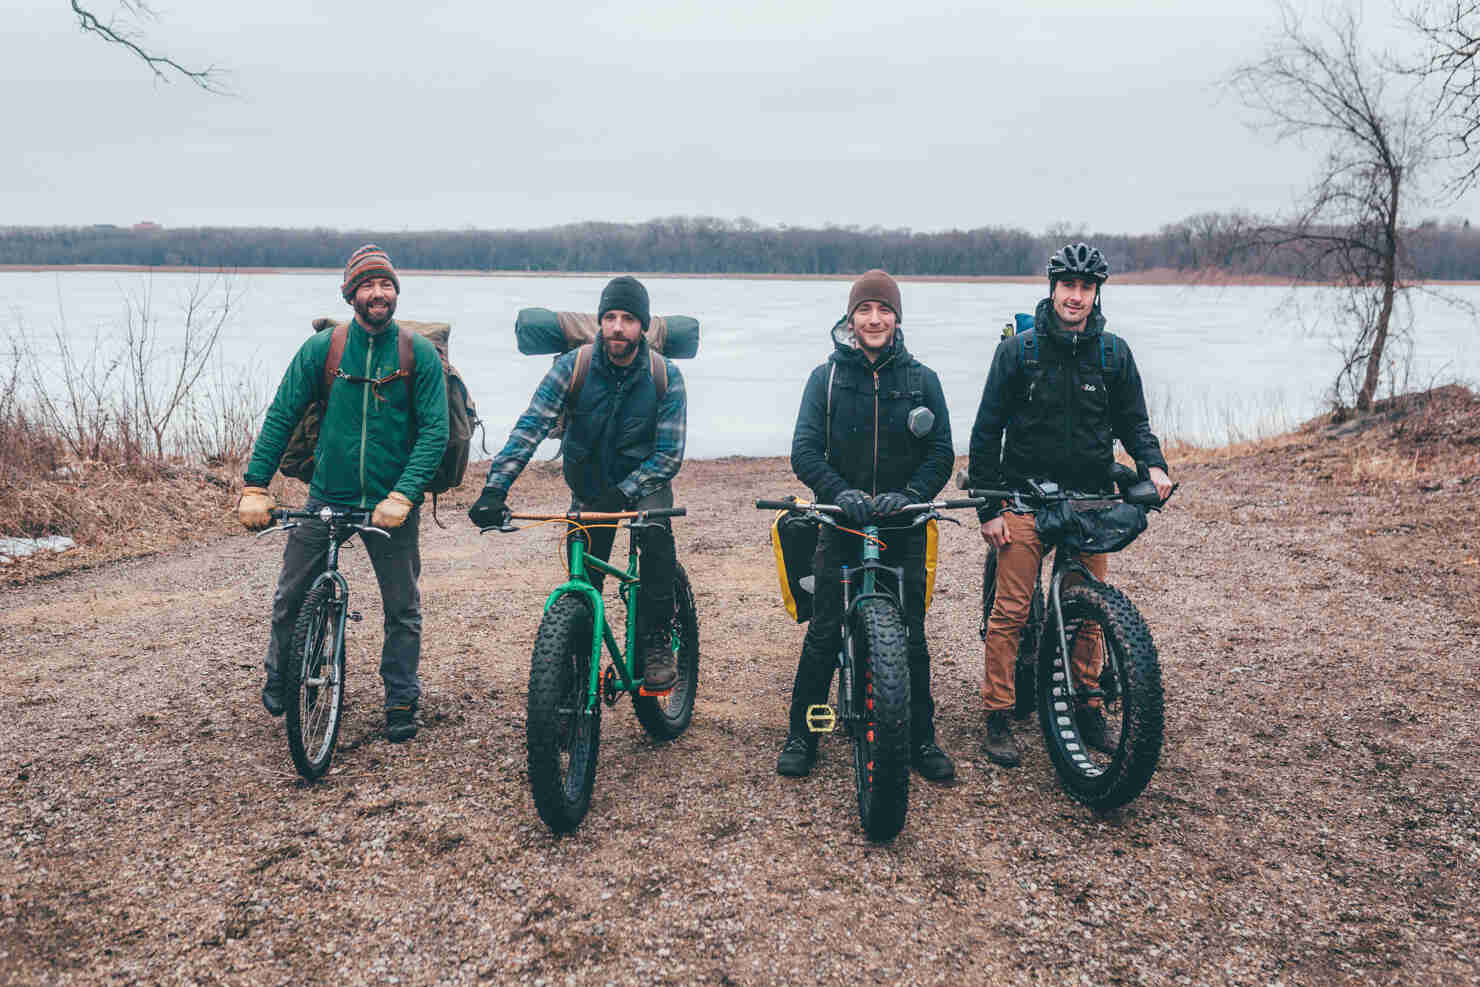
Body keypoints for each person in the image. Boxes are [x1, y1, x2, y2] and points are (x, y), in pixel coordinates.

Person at [967, 243, 1173, 767]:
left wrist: (1154, 466)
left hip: (1090, 503)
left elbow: (1135, 424)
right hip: (1023, 500)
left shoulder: (1113, 355)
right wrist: (988, 510)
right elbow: (986, 433)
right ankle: (998, 713)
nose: (1076, 296)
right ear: (1052, 288)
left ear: (1095, 293)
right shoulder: (1019, 352)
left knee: (1090, 614)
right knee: (1010, 611)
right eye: (1068, 286)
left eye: (1085, 288)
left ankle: (1088, 707)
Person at [238, 244, 449, 742]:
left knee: (403, 608)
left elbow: (434, 432)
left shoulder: (416, 352)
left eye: (386, 285)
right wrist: (254, 484)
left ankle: (400, 698)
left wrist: (404, 493)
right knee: (291, 595)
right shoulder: (323, 349)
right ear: (350, 294)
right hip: (327, 495)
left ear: (395, 292)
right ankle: (282, 674)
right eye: (368, 286)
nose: (378, 294)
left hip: (389, 503)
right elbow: (281, 415)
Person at [467, 276, 686, 692]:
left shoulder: (665, 375)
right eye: (609, 317)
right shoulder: (575, 366)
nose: (617, 327)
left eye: (627, 319)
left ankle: (657, 641)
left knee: (656, 538)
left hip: (645, 482)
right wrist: (495, 489)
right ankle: (572, 667)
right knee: (583, 581)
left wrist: (625, 492)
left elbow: (669, 455)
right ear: (600, 322)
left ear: (642, 326)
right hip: (589, 483)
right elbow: (530, 427)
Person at [780, 269, 956, 781]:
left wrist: (913, 496)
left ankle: (921, 739)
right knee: (824, 631)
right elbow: (805, 451)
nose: (874, 319)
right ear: (850, 319)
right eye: (865, 310)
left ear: (897, 318)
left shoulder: (924, 380)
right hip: (842, 521)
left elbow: (941, 452)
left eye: (883, 310)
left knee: (914, 637)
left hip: (904, 524)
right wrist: (840, 493)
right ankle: (803, 733)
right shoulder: (826, 379)